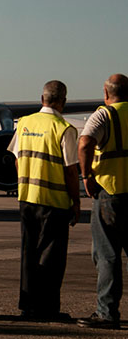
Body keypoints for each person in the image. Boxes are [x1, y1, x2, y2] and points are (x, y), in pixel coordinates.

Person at [7, 80, 81, 320]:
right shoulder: (64, 129)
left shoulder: (25, 123)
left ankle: (27, 306)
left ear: (42, 99)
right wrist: (76, 202)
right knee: (51, 257)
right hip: (54, 201)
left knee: (28, 253)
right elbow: (71, 170)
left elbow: (17, 159)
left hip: (27, 198)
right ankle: (48, 309)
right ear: (63, 102)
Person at [77, 73, 128, 330]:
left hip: (110, 193)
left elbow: (85, 143)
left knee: (107, 255)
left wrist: (86, 176)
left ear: (106, 94)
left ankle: (107, 313)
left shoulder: (104, 115)